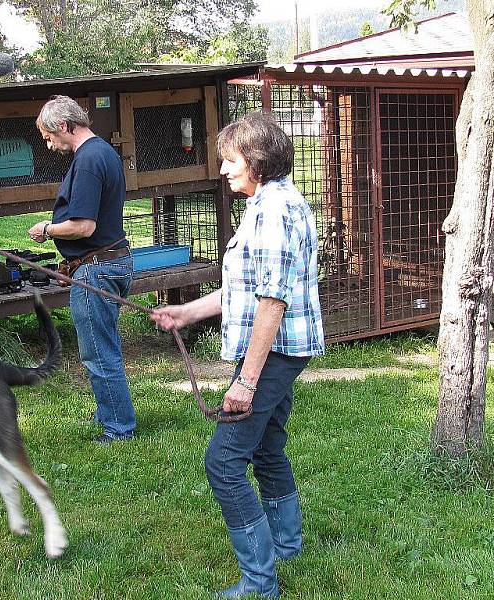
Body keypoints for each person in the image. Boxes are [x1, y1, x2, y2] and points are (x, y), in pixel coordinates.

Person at [151, 112, 324, 598]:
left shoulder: (273, 210)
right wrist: (185, 313)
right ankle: (286, 544)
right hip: (282, 349)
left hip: (273, 353)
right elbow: (243, 290)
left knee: (223, 463)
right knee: (267, 446)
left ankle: (260, 580)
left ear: (258, 160)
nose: (224, 169)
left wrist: (246, 382)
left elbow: (272, 300)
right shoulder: (273, 203)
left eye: (231, 160)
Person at [28, 95, 136, 445]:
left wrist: (47, 228)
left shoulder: (88, 160)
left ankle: (119, 428)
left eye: (48, 135)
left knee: (97, 351)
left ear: (64, 125)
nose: (48, 144)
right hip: (112, 261)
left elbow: (83, 226)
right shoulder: (103, 151)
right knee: (103, 343)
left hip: (96, 268)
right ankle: (110, 411)